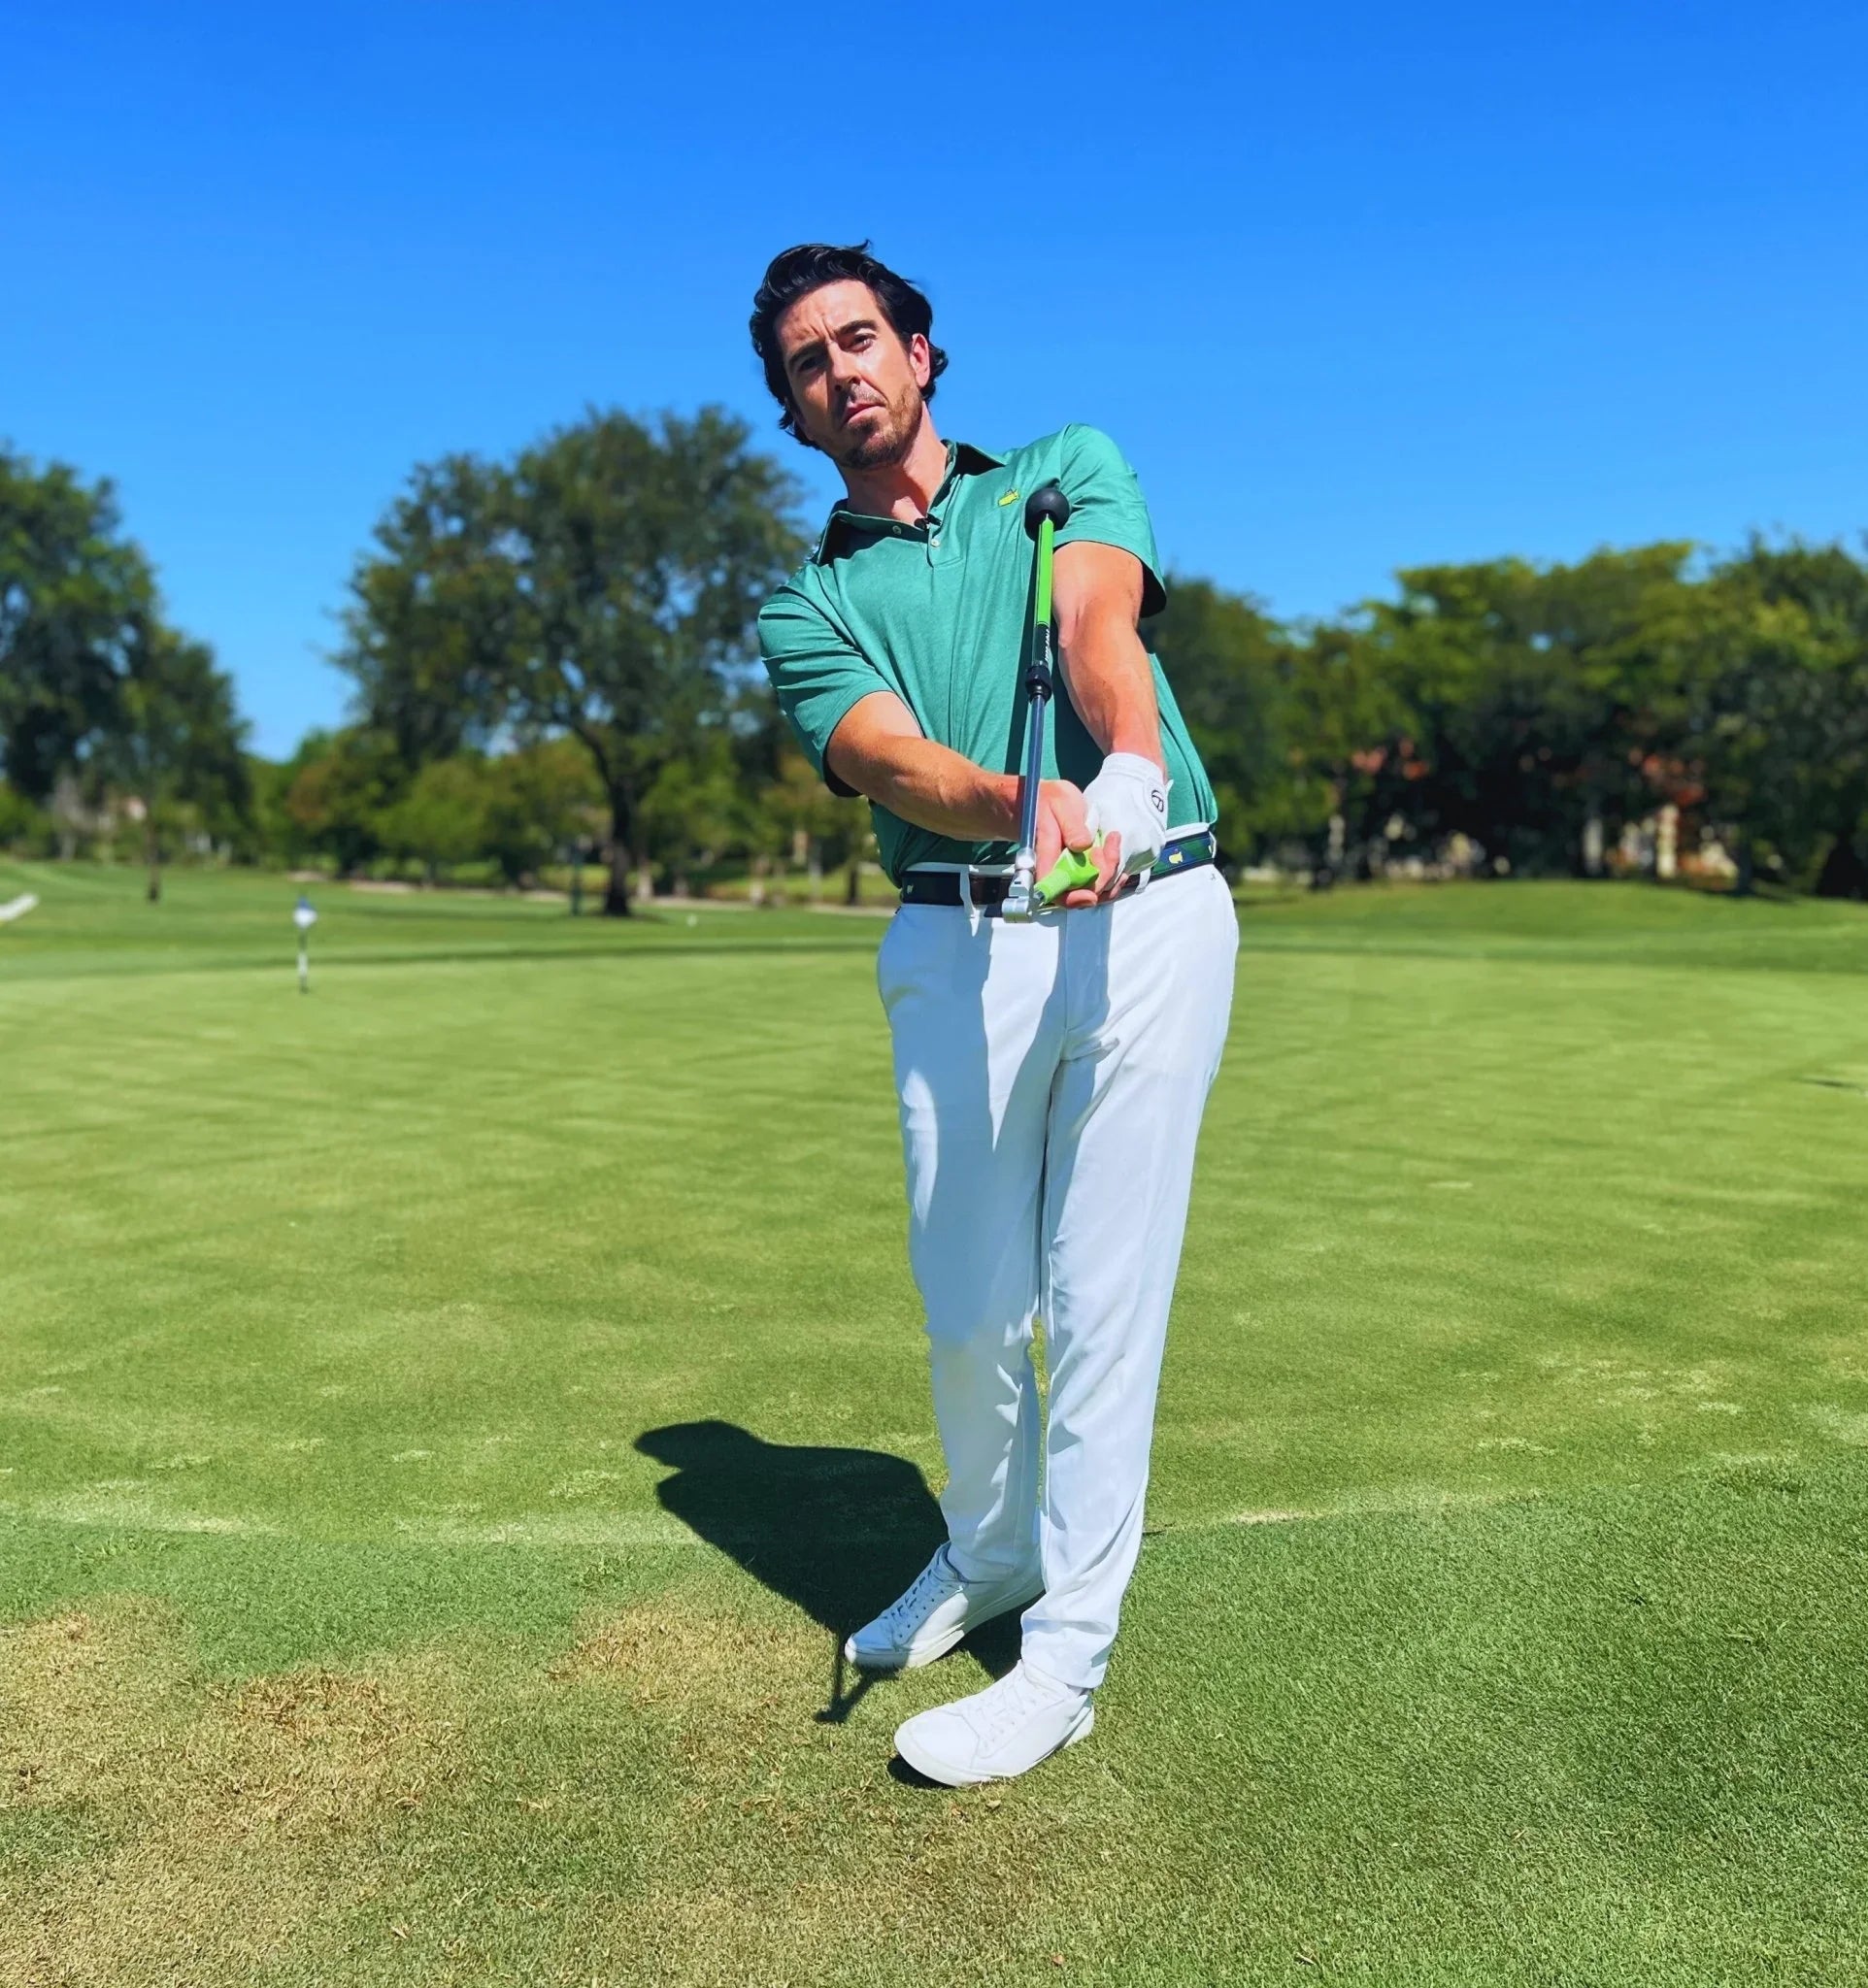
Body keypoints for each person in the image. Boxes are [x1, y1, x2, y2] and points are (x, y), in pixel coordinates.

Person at [749, 243, 1238, 1785]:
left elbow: (1099, 630)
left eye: (859, 338)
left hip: (1149, 912)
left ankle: (1066, 1658)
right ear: (795, 413)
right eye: (807, 363)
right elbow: (889, 761)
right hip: (957, 937)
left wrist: (1125, 778)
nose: (840, 370)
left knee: (1098, 1309)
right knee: (969, 1307)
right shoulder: (806, 603)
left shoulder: (1058, 472)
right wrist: (1020, 805)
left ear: (919, 352)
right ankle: (989, 1549)